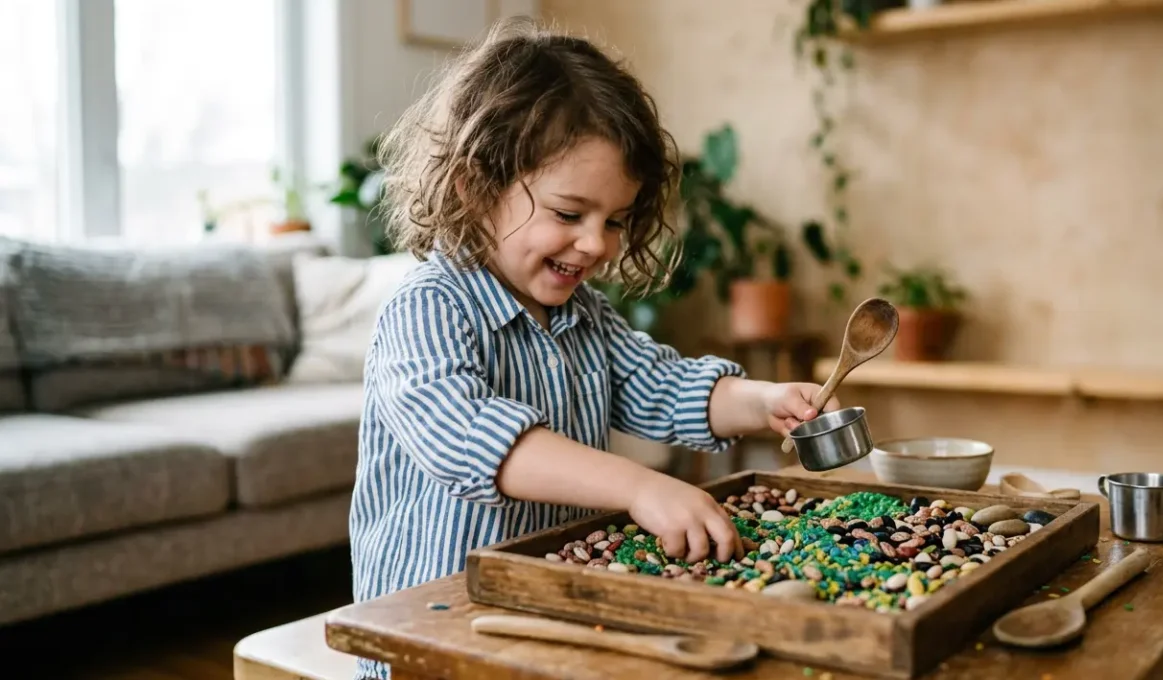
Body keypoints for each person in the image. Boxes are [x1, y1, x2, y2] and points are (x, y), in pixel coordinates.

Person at [349, 17, 839, 679]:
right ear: (474, 186)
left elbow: (662, 386)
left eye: (615, 220)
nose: (596, 244)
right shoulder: (426, 310)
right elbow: (471, 438)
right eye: (569, 213)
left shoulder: (586, 315)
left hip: (552, 616)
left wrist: (763, 400)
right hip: (434, 637)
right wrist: (639, 487)